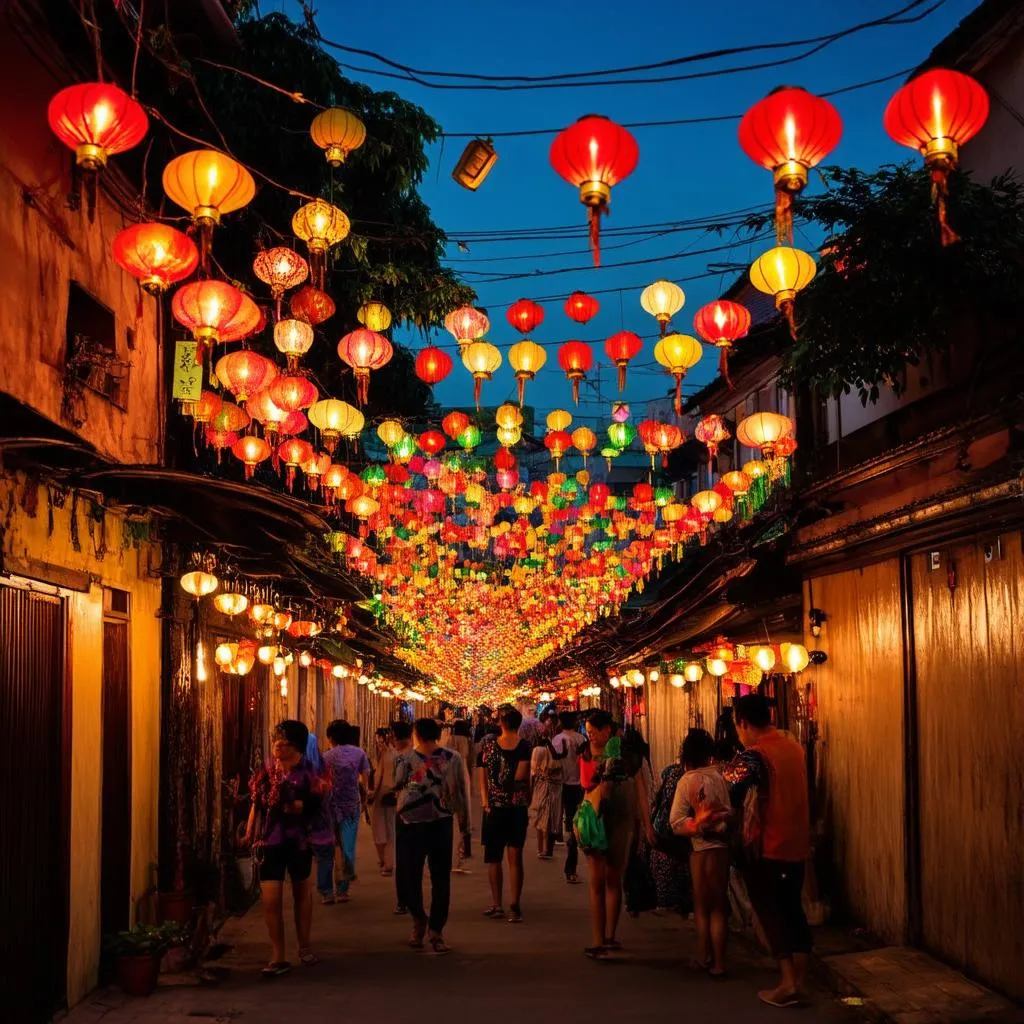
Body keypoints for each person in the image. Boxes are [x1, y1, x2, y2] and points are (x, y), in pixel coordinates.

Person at [724, 694, 812, 1008]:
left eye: (737, 726)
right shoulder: (794, 748)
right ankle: (798, 981)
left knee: (771, 912)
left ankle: (788, 982)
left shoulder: (755, 756)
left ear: (744, 723)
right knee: (793, 911)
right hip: (798, 843)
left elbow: (728, 789)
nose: (738, 733)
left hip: (769, 846)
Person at [245, 720, 323, 976]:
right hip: (270, 840)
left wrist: (290, 806)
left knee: (301, 893)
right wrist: (249, 832)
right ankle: (277, 955)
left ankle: (305, 946)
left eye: (284, 742)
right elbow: (256, 803)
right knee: (271, 898)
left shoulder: (310, 772)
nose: (278, 746)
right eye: (276, 740)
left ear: (297, 746)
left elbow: (314, 806)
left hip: (299, 840)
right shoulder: (266, 771)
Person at [393, 717, 471, 955]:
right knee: (436, 878)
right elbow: (461, 792)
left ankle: (429, 925)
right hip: (436, 822)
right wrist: (464, 825)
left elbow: (398, 786)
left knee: (415, 876)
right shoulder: (451, 759)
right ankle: (427, 925)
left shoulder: (405, 759)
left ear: (416, 733)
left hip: (415, 822)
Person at [671, 728, 731, 977]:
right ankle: (719, 963)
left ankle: (702, 956)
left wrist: (696, 827)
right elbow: (729, 811)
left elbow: (675, 821)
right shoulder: (719, 777)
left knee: (702, 906)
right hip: (722, 849)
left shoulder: (687, 780)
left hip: (701, 850)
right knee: (718, 906)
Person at [577, 711, 636, 958]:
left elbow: (638, 784)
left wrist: (643, 822)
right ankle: (598, 938)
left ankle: (610, 936)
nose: (590, 736)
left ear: (607, 731)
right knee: (596, 881)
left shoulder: (625, 754)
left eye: (593, 732)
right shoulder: (586, 753)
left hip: (619, 816)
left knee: (613, 877)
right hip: (594, 816)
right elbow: (585, 787)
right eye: (588, 732)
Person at [477, 706, 531, 923]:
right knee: (515, 858)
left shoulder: (488, 746)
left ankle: (497, 903)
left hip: (494, 808)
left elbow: (482, 775)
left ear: (501, 722)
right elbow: (522, 776)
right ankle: (514, 906)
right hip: (516, 807)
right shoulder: (525, 747)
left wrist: (485, 801)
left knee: (494, 858)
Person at [322, 720, 370, 903]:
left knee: (329, 847)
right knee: (347, 845)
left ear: (331, 737)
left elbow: (321, 782)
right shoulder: (359, 753)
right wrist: (364, 800)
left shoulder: (327, 756)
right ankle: (343, 890)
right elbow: (365, 779)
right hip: (351, 805)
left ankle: (327, 892)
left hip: (329, 805)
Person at [648, 742, 692, 915]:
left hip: (671, 826)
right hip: (684, 828)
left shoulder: (675, 774)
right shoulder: (709, 776)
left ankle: (667, 901)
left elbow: (664, 801)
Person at [550, 711, 585, 884]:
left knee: (564, 819)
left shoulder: (556, 740)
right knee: (574, 822)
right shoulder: (581, 739)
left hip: (561, 784)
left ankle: (556, 844)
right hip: (580, 785)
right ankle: (571, 866)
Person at [306, 733, 338, 906]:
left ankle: (302, 891)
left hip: (300, 821)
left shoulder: (293, 767)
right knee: (325, 854)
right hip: (321, 818)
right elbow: (329, 788)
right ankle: (326, 891)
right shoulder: (321, 765)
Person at [528, 715, 563, 860]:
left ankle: (541, 848)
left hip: (540, 786)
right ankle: (547, 848)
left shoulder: (537, 751)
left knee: (540, 817)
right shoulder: (554, 749)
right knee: (548, 817)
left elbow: (533, 771)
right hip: (552, 786)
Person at [369, 726, 400, 878]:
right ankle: (387, 862)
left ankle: (386, 862)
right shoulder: (403, 754)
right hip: (395, 795)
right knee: (390, 829)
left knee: (380, 829)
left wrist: (372, 793)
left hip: (383, 795)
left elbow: (378, 776)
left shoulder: (386, 755)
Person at [448, 720, 475, 873]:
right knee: (466, 810)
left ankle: (458, 848)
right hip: (464, 773)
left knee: (454, 810)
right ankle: (466, 847)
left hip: (452, 773)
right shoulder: (468, 741)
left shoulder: (450, 740)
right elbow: (471, 762)